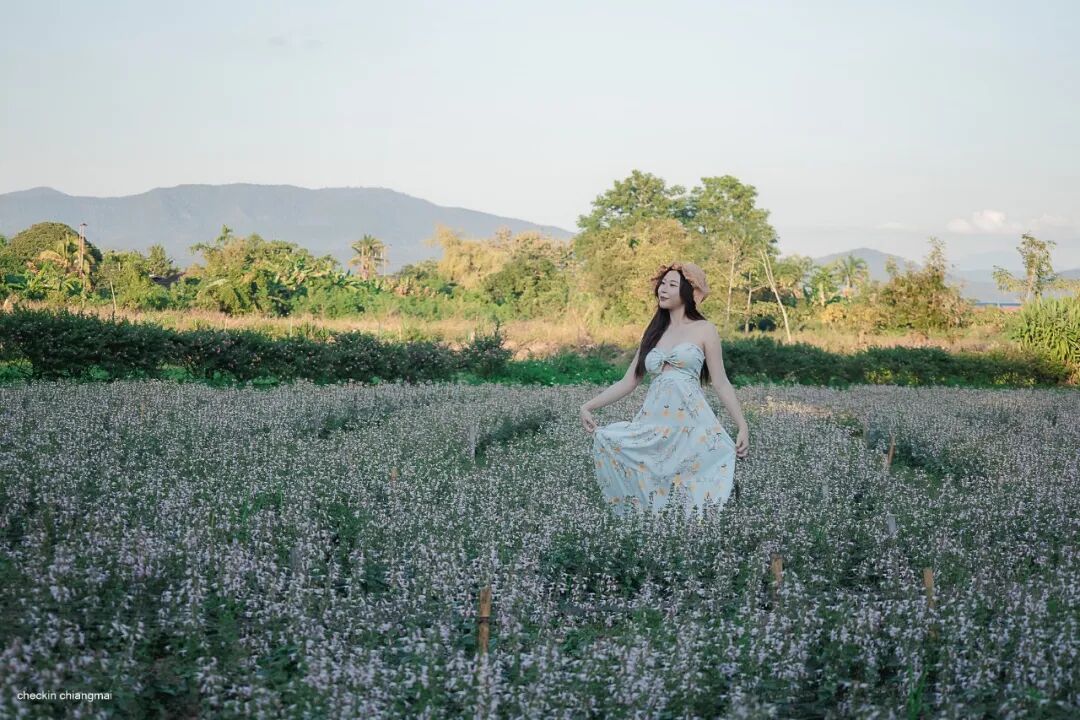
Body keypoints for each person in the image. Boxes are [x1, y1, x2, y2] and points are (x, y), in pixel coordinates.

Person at [580, 261, 750, 517]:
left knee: (691, 488)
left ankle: (695, 530)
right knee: (653, 483)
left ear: (688, 292)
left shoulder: (704, 329)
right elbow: (629, 381)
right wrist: (588, 405)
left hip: (691, 424)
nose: (663, 289)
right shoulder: (654, 333)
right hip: (654, 422)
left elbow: (720, 382)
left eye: (672, 284)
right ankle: (651, 530)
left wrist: (742, 425)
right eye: (662, 284)